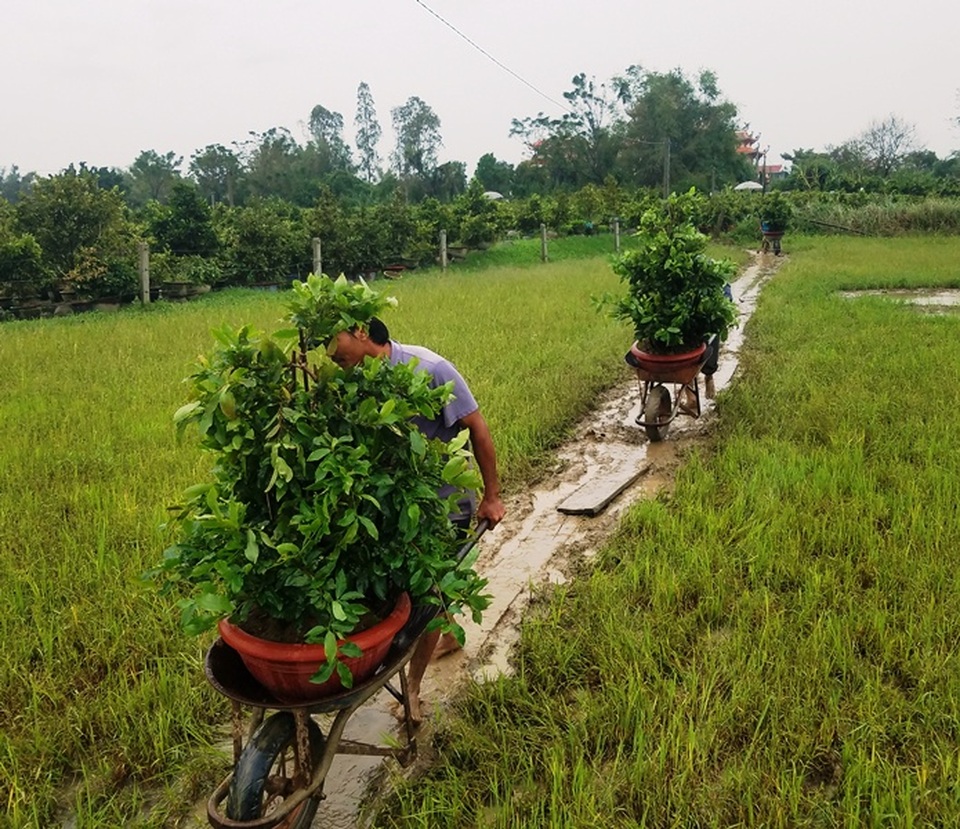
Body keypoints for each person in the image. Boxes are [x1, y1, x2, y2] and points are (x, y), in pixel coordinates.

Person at [330, 316, 505, 723]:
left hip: (444, 505)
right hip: (389, 510)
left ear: (360, 330)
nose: (329, 353)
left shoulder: (429, 370)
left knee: (427, 593)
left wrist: (492, 496)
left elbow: (477, 428)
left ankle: (412, 687)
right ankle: (445, 634)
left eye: (333, 340)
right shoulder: (350, 381)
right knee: (402, 590)